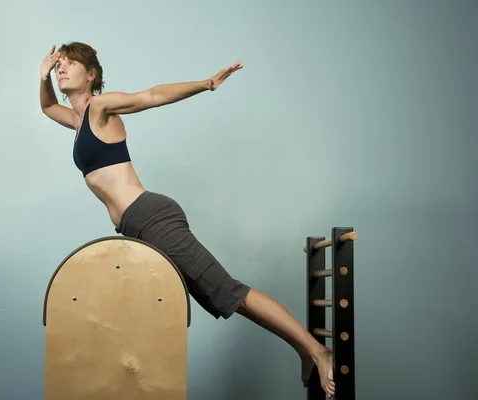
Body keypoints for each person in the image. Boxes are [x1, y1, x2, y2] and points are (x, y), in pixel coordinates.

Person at [39, 42, 335, 398]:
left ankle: (318, 350)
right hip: (136, 228)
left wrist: (206, 84)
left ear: (92, 75)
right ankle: (304, 350)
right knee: (219, 301)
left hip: (150, 218)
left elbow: (149, 96)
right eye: (60, 65)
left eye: (71, 64)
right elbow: (46, 106)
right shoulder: (76, 119)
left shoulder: (99, 107)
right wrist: (42, 76)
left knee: (230, 293)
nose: (62, 69)